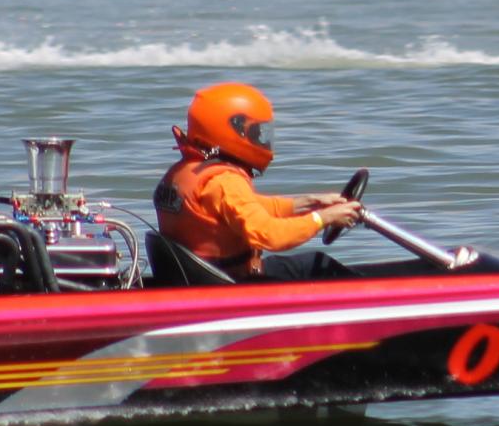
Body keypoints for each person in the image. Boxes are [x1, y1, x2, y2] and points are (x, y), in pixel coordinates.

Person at [153, 82, 361, 279]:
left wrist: (309, 202)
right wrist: (323, 218)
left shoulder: (184, 173)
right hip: (234, 284)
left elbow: (247, 207)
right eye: (257, 132)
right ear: (234, 130)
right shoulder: (225, 182)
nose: (262, 140)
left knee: (309, 263)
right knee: (319, 265)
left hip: (203, 278)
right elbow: (269, 234)